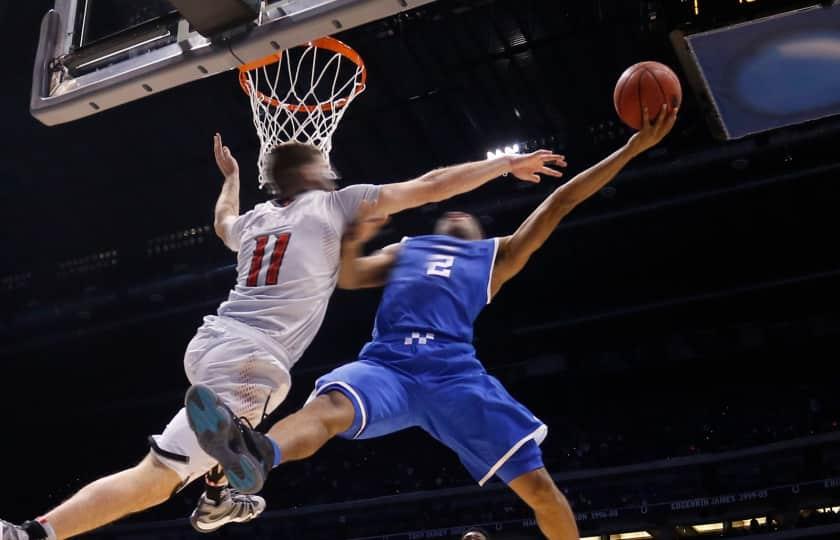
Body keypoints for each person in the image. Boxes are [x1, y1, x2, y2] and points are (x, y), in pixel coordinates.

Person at [0, 135, 564, 540]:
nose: (332, 171)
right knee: (236, 440)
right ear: (314, 174)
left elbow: (222, 222)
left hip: (212, 341)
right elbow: (431, 185)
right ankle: (223, 490)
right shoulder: (337, 203)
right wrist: (504, 164)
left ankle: (32, 533)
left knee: (159, 476)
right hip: (255, 360)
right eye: (325, 164)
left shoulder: (254, 221)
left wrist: (231, 182)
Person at [184, 105, 677, 540]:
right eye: (451, 214)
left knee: (542, 490)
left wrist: (632, 148)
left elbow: (561, 201)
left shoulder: (498, 255)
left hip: (455, 375)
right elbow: (350, 277)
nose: (458, 213)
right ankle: (258, 455)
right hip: (387, 365)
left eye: (469, 217)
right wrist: (354, 240)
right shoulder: (407, 249)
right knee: (329, 407)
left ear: (479, 232)